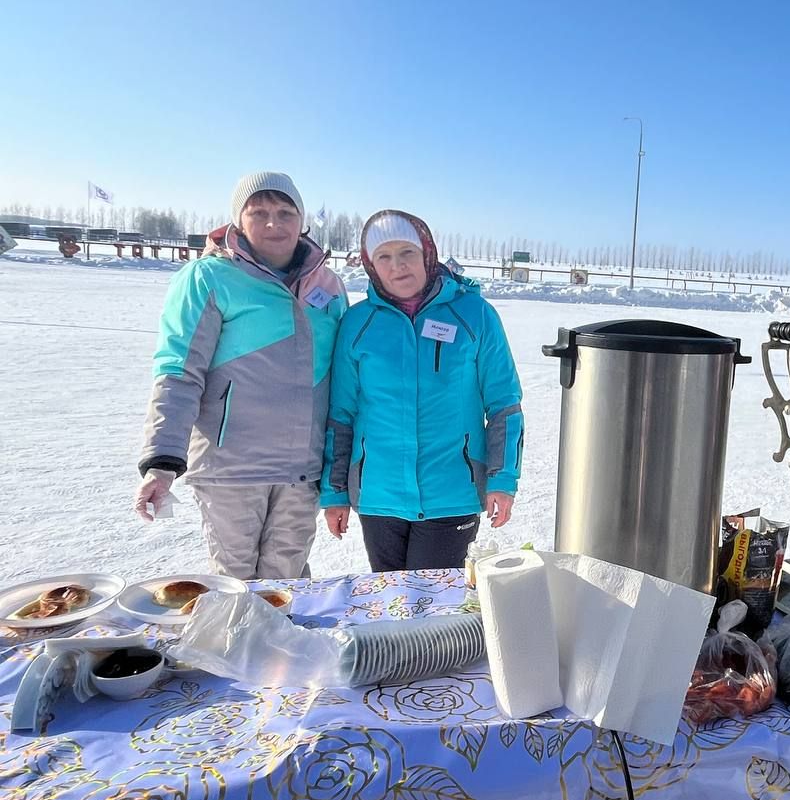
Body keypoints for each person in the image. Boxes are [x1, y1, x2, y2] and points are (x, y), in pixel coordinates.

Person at [134, 172, 348, 579]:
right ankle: (231, 646)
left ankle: (285, 645)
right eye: (259, 212)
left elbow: (342, 381)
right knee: (234, 584)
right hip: (230, 468)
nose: (274, 223)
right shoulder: (209, 278)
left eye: (286, 212)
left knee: (287, 582)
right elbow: (179, 372)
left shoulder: (329, 284)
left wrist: (340, 466)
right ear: (238, 220)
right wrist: (161, 461)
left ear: (301, 220)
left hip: (301, 468)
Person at [320, 210, 523, 571]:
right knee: (389, 607)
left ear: (427, 253)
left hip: (452, 493)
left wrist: (502, 479)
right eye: (384, 256)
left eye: (407, 253)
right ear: (370, 265)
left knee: (435, 614)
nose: (397, 266)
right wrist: (335, 491)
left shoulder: (474, 314)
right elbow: (341, 415)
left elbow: (504, 404)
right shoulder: (358, 323)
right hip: (379, 497)